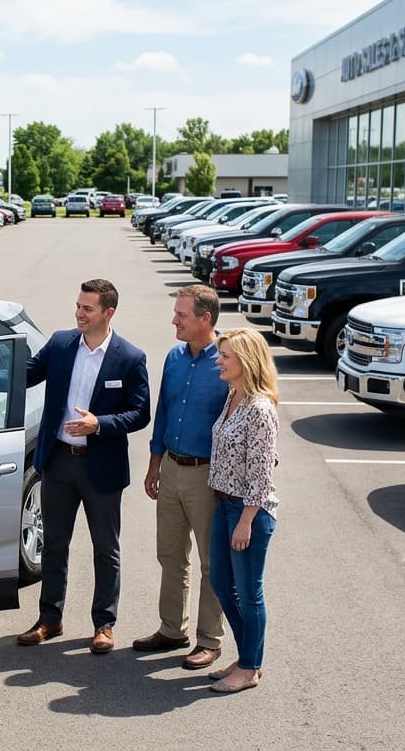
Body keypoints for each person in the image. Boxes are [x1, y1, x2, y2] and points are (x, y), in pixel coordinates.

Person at [0, 279, 151, 654]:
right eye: (78, 306)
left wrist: (99, 424)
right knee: (53, 547)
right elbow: (24, 375)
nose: (78, 313)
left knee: (106, 549)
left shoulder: (130, 357)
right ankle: (49, 619)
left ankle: (104, 624)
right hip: (60, 462)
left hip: (101, 468)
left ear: (108, 313)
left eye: (87, 308)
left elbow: (139, 413)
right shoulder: (62, 344)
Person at [133, 285, 230, 670]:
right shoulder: (174, 357)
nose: (174, 320)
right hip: (171, 468)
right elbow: (164, 411)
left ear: (205, 319)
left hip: (208, 475)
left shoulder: (229, 359)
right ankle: (172, 628)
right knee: (170, 554)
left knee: (211, 563)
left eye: (182, 315)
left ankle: (210, 639)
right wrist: (155, 464)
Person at [205, 328, 280, 694]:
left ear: (246, 362)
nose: (218, 360)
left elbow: (262, 474)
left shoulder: (260, 408)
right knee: (221, 582)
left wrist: (246, 521)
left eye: (225, 356)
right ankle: (247, 654)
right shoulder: (234, 395)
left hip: (247, 512)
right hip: (223, 503)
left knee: (249, 592)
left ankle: (250, 667)